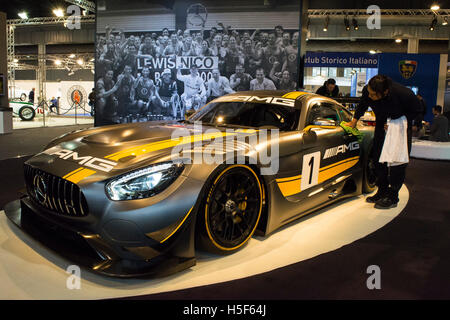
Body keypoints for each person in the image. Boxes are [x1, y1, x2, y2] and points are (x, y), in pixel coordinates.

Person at [345, 75, 420, 209]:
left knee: (397, 161)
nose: (370, 96)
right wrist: (354, 121)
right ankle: (382, 191)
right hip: (381, 124)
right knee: (378, 159)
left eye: (373, 95)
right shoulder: (368, 91)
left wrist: (397, 121)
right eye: (369, 92)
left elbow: (417, 110)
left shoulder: (403, 94)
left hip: (399, 127)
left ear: (385, 92)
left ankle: (392, 196)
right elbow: (363, 104)